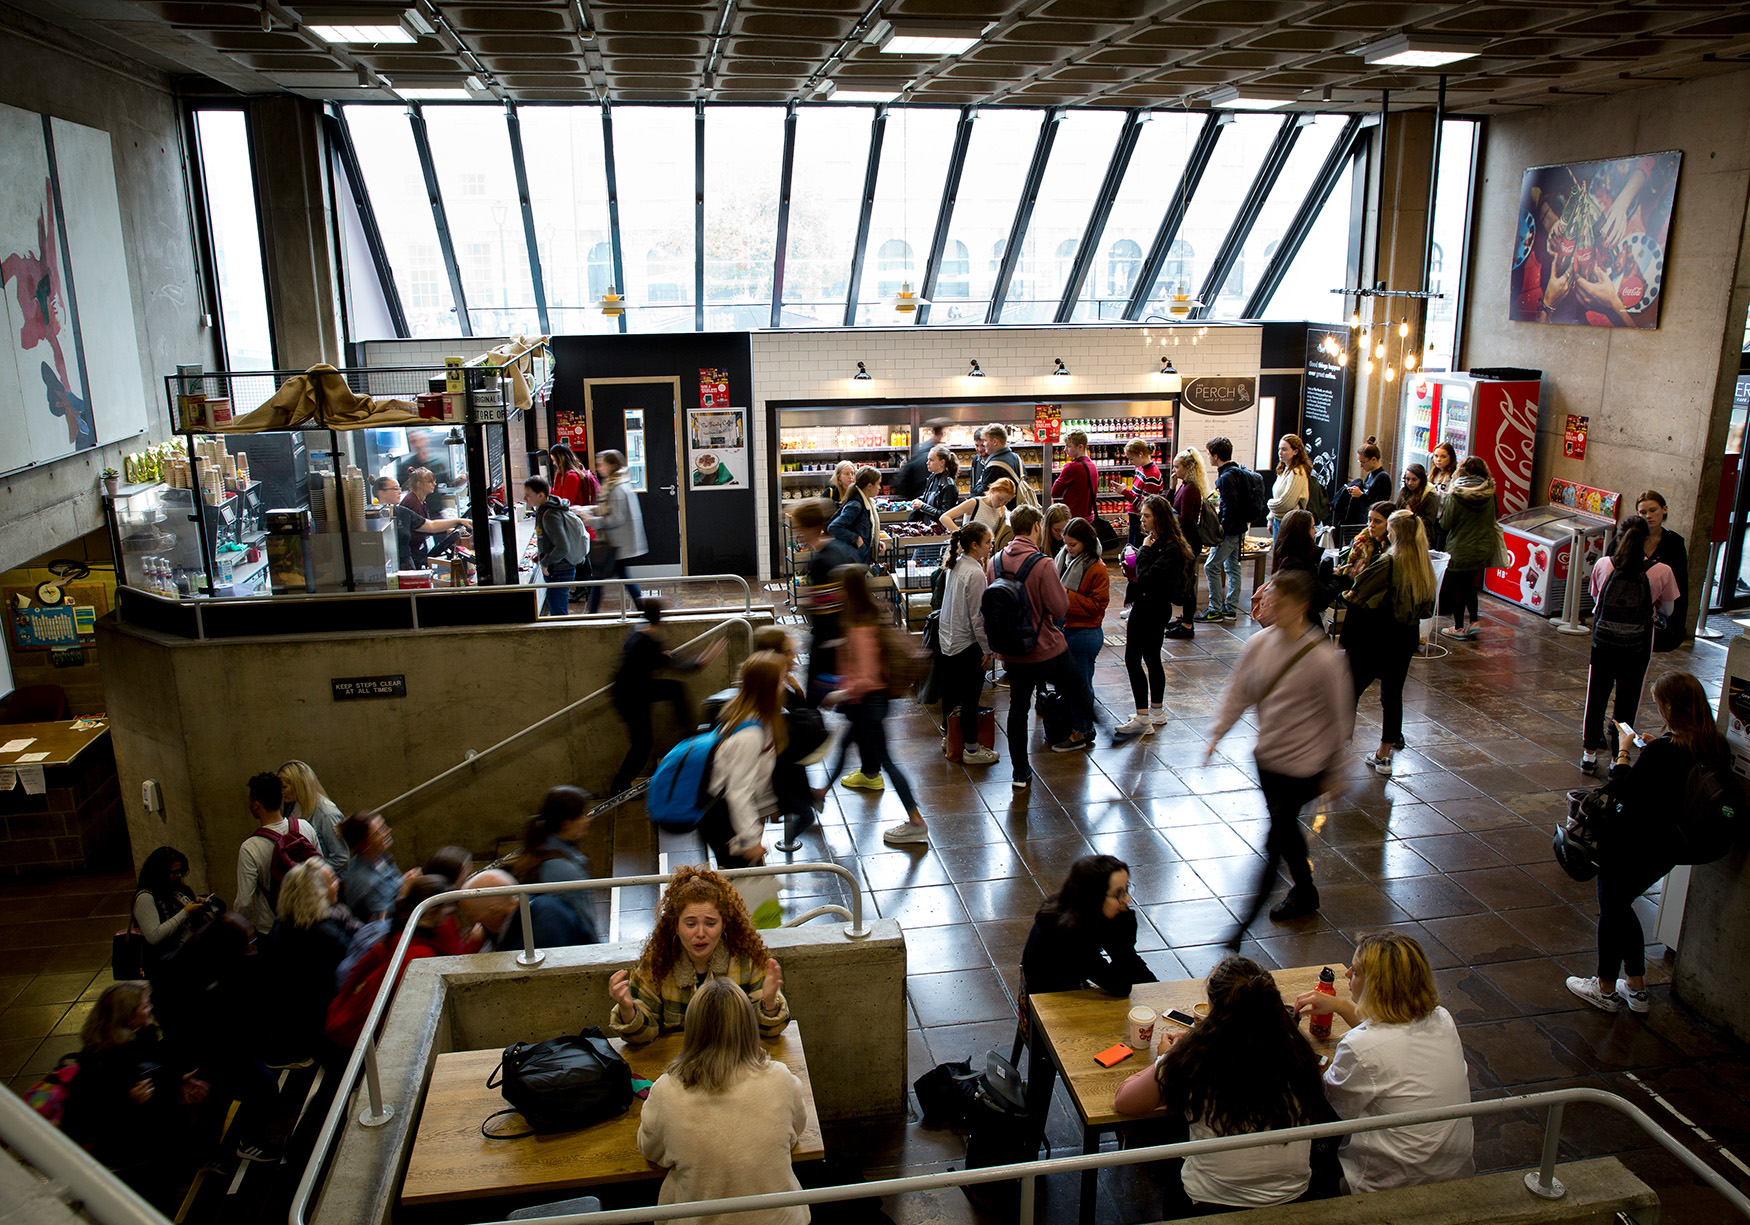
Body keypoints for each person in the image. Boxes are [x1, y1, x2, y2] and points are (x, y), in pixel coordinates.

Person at [1115, 957, 1330, 1214]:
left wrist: (1167, 1057)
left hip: (1211, 1202)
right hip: (1295, 1196)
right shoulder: (1299, 1052)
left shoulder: (1195, 1058)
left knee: (1157, 1135)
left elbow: (1125, 1102)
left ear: (1214, 1008)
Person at [1568, 672, 1727, 1013]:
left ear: (1670, 706)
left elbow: (1624, 789)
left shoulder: (1664, 752)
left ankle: (1606, 988)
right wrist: (1653, 748)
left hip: (1634, 844)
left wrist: (1624, 754)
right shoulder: (1714, 745)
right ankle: (1636, 988)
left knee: (1612, 909)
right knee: (1622, 906)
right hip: (1671, 847)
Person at [1208, 569, 1353, 937]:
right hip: (1269, 760)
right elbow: (1239, 693)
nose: (1270, 607)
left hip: (1306, 765)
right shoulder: (1259, 645)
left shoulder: (1323, 659)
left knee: (1277, 834)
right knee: (1284, 830)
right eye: (1270, 600)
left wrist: (1337, 769)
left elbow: (1340, 716)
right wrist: (1216, 735)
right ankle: (1305, 891)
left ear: (1301, 607)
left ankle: (1240, 928)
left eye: (1279, 602)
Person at [1296, 932, 1475, 1191]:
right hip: (1453, 1171)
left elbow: (1330, 1108)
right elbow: (1388, 1035)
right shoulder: (1442, 1018)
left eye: (1355, 972)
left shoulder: (1361, 1048)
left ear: (1376, 986)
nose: (1346, 975)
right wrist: (1341, 1006)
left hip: (1390, 1183)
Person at [637, 977, 811, 1225]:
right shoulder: (781, 1079)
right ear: (748, 1025)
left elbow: (651, 1150)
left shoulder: (666, 1091)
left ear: (693, 1029)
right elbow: (795, 1131)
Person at [992, 506, 1119, 790]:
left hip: (1011, 648)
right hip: (1044, 646)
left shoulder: (996, 561)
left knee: (1017, 709)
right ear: (1037, 526)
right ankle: (1109, 734)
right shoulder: (1043, 563)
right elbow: (1060, 607)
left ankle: (1020, 772)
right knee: (1077, 686)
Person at [63, 982, 209, 1208]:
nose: (151, 1007)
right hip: (133, 1162)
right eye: (145, 1006)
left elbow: (152, 1072)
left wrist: (176, 1082)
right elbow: (83, 1124)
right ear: (129, 1018)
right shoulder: (99, 1067)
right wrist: (129, 1102)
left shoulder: (141, 1038)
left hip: (156, 1149)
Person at [607, 864, 788, 1045]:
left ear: (723, 924)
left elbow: (770, 1031)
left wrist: (770, 1004)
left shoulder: (747, 959)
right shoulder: (657, 963)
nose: (700, 933)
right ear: (676, 926)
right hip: (680, 1063)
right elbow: (643, 1036)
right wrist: (627, 1009)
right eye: (691, 924)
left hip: (735, 1060)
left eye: (710, 924)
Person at [820, 572, 929, 845]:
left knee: (887, 761)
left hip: (868, 704)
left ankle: (916, 820)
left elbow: (866, 678)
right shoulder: (862, 619)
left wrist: (837, 694)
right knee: (845, 745)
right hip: (866, 706)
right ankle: (820, 792)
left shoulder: (859, 627)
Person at [1580, 515, 1678, 774]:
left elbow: (1595, 598)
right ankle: (1617, 758)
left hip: (1603, 643)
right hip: (1637, 646)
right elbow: (1667, 610)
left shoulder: (1603, 564)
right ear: (1648, 539)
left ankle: (1589, 755)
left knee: (1596, 696)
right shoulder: (1662, 571)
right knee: (1628, 701)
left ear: (1618, 537)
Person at [1344, 510, 1438, 778]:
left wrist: (1353, 577)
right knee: (1393, 694)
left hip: (1378, 635)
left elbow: (1357, 590)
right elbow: (1428, 608)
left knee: (1351, 688)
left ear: (1395, 532)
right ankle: (1384, 754)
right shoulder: (1424, 564)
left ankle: (1337, 743)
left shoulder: (1389, 562)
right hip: (1406, 637)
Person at [326, 875, 460, 1050]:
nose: (450, 916)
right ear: (430, 911)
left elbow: (353, 976)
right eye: (448, 910)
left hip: (344, 1019)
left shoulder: (397, 934)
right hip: (362, 1041)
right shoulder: (417, 956)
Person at [609, 598, 727, 795]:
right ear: (660, 619)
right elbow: (676, 666)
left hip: (634, 690)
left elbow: (648, 660)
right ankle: (619, 785)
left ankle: (688, 732)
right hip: (632, 697)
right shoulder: (648, 641)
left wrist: (662, 657)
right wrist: (702, 662)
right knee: (643, 744)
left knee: (674, 689)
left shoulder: (639, 631)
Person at [1021, 855, 1155, 996]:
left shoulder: (1082, 908)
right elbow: (1120, 986)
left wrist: (1158, 990)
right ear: (1094, 897)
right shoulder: (1070, 934)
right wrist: (1125, 944)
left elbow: (1130, 964)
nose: (1127, 899)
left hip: (1069, 981)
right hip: (1050, 1002)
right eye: (1118, 894)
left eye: (1127, 888)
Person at [704, 652, 790, 869]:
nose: (785, 684)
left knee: (750, 889)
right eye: (781, 679)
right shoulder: (750, 735)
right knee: (748, 891)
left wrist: (768, 806)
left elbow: (757, 776)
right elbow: (738, 793)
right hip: (725, 822)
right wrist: (751, 840)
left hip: (733, 820)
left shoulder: (758, 719)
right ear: (767, 687)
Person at [262, 858, 351, 1066]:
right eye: (332, 880)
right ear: (317, 892)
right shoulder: (324, 933)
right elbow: (352, 965)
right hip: (318, 1025)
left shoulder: (283, 923)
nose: (338, 883)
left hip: (292, 1021)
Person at [1121, 494, 1195, 736]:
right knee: (1152, 657)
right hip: (1155, 606)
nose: (1142, 519)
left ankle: (1143, 716)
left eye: (1146, 515)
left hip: (1149, 608)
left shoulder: (1166, 546)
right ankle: (1156, 711)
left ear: (1159, 518)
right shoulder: (1163, 541)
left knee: (1133, 659)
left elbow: (1147, 577)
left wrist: (1143, 551)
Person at [507, 785, 605, 943]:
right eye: (582, 815)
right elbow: (585, 921)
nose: (588, 819)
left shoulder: (541, 846)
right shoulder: (565, 871)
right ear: (566, 823)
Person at [788, 498, 859, 705]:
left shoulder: (820, 562)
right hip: (846, 636)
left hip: (829, 642)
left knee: (813, 699)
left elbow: (825, 610)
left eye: (799, 527)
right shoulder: (840, 549)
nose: (797, 532)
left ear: (809, 527)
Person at [939, 522, 997, 768]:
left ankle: (950, 739)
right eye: (988, 543)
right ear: (975, 545)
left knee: (950, 695)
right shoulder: (975, 573)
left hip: (948, 640)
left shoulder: (956, 564)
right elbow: (978, 616)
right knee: (971, 698)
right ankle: (971, 748)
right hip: (967, 644)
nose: (991, 546)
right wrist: (987, 648)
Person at [235, 771, 317, 935]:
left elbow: (244, 903)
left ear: (256, 804)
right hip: (311, 921)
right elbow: (321, 870)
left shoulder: (250, 847)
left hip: (273, 930)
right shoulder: (305, 827)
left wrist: (241, 933)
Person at [1057, 517, 1110, 751]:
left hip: (1085, 634)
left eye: (1073, 544)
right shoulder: (1065, 559)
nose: (1068, 549)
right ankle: (1084, 727)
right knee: (1073, 684)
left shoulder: (1096, 567)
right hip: (1068, 630)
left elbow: (1098, 606)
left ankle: (1081, 732)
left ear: (1086, 542)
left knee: (1081, 685)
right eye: (1066, 543)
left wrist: (1064, 595)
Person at [461, 867, 595, 952]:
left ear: (494, 911)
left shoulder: (532, 940)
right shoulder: (543, 902)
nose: (476, 924)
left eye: (474, 916)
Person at [1438, 455, 1498, 641]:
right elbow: (1494, 516)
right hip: (1482, 547)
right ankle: (1474, 622)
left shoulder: (1455, 494)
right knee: (1469, 584)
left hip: (1460, 548)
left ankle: (1458, 627)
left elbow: (1446, 523)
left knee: (1457, 585)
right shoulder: (1490, 492)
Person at [585, 448, 645, 614]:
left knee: (601, 579)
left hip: (615, 543)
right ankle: (643, 610)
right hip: (617, 543)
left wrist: (590, 520)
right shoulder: (618, 483)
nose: (598, 468)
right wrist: (589, 510)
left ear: (611, 465)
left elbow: (615, 518)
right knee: (620, 577)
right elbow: (609, 510)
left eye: (601, 464)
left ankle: (591, 614)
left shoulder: (616, 487)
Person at [131, 846, 207, 978]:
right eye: (174, 872)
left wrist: (196, 903)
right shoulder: (146, 898)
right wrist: (185, 912)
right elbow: (154, 936)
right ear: (160, 873)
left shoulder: (175, 889)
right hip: (170, 965)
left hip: (190, 957)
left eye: (181, 872)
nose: (179, 876)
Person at [523, 474, 590, 616]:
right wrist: (541, 554)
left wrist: (545, 561)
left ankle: (563, 638)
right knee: (557, 608)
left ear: (540, 495)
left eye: (528, 495)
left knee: (558, 613)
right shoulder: (546, 510)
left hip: (560, 570)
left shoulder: (549, 515)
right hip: (560, 568)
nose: (525, 499)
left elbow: (562, 547)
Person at [1197, 436, 1247, 624]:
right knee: (1233, 567)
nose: (1208, 457)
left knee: (1211, 566)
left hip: (1230, 531)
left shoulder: (1226, 477)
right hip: (1240, 528)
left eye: (1209, 454)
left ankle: (1214, 609)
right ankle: (1231, 608)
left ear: (1216, 456)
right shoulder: (1238, 472)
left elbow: (1229, 508)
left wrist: (1222, 530)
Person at [1638, 489, 1690, 651]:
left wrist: (1677, 623)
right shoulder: (1630, 538)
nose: (1648, 516)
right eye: (1643, 512)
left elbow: (1680, 582)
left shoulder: (1674, 542)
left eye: (1653, 511)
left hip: (1659, 609)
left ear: (1664, 510)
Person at [1168, 447, 1210, 629]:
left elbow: (1184, 518)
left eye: (1177, 467)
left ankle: (1187, 624)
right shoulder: (1183, 486)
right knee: (1185, 580)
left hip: (1189, 542)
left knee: (1187, 583)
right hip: (1184, 541)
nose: (1174, 471)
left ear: (1188, 468)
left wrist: (1170, 520)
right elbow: (1169, 505)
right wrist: (1171, 487)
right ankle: (1185, 618)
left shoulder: (1191, 489)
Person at [279, 759, 348, 870]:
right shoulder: (289, 807)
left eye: (284, 787)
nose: (281, 792)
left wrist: (312, 872)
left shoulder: (327, 814)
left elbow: (341, 858)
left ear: (298, 785)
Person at [1271, 509, 1334, 630]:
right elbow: (1320, 599)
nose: (1315, 531)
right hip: (1305, 627)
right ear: (1302, 533)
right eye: (1312, 528)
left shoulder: (1286, 556)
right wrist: (1337, 579)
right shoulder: (1299, 564)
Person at [338, 810, 402, 922]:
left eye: (384, 827)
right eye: (378, 833)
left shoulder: (382, 856)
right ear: (365, 844)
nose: (387, 832)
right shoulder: (362, 881)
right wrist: (406, 891)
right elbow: (383, 919)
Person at [827, 465, 881, 565]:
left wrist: (875, 542)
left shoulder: (868, 502)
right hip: (854, 561)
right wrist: (857, 539)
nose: (879, 487)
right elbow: (834, 527)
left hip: (859, 559)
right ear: (869, 486)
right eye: (878, 484)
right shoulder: (856, 505)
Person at [1333, 438, 1392, 528]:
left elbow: (1379, 505)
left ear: (1374, 459)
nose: (1361, 465)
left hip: (1370, 523)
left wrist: (1361, 495)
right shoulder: (1370, 475)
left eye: (1363, 462)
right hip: (1361, 520)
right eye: (1359, 462)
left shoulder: (1383, 478)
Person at [940, 476, 1015, 545]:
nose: (1001, 503)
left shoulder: (1002, 509)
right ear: (993, 490)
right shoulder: (974, 503)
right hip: (967, 551)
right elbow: (944, 517)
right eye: (1000, 499)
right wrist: (962, 536)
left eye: (1006, 502)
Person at [894, 419, 949, 501]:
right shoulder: (930, 453)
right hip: (921, 493)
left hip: (916, 495)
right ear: (940, 434)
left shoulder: (920, 448)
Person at [1052, 429, 1099, 521]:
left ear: (1080, 447)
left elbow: (1055, 493)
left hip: (1072, 518)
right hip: (1088, 517)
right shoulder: (1092, 466)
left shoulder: (1072, 467)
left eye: (1068, 446)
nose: (1065, 449)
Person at [1269, 433, 1313, 531]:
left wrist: (1269, 504)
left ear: (1295, 451)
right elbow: (1277, 497)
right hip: (1279, 520)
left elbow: (1286, 504)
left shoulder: (1297, 472)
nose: (1280, 452)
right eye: (1279, 449)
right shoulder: (1284, 469)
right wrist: (1270, 519)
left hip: (1291, 524)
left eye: (1284, 449)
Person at [1128, 438, 1167, 549]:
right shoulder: (1140, 469)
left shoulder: (1152, 475)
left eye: (1131, 458)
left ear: (1140, 454)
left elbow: (1145, 505)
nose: (1130, 462)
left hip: (1141, 520)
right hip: (1135, 517)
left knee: (1138, 550)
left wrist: (1125, 492)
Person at [908, 444, 960, 524]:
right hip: (929, 528)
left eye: (931, 460)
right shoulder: (932, 478)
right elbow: (929, 498)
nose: (927, 463)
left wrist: (922, 506)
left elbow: (945, 515)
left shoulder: (949, 485)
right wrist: (918, 501)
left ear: (942, 462)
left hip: (940, 531)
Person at [978, 423, 1025, 507]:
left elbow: (982, 494)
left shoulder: (994, 466)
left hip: (1001, 513)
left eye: (985, 440)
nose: (984, 444)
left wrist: (977, 486)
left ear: (995, 441)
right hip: (1018, 509)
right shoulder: (1016, 458)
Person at [1345, 501, 1393, 581]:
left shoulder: (1394, 546)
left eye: (1377, 521)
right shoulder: (1364, 540)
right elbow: (1348, 573)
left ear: (1389, 524)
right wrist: (1356, 555)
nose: (1371, 525)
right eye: (1369, 520)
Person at [1396, 462, 1440, 546]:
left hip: (1421, 538)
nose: (1410, 483)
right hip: (1403, 535)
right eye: (1407, 479)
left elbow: (1428, 522)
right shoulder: (1404, 492)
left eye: (1414, 480)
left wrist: (1411, 515)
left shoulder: (1429, 496)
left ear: (1421, 480)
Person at [548, 442, 598, 508]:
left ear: (560, 460)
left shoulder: (571, 477)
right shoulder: (563, 474)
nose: (553, 463)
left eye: (554, 460)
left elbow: (567, 503)